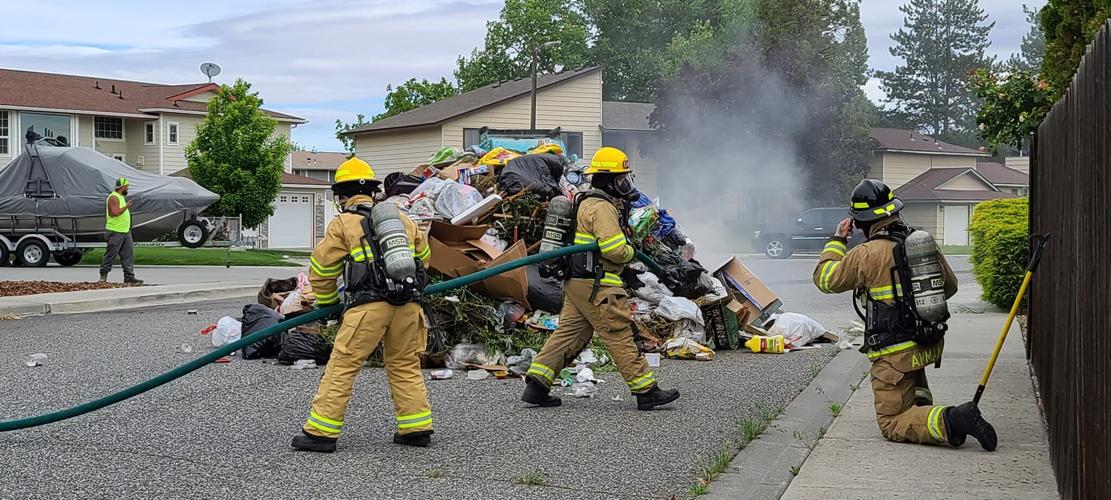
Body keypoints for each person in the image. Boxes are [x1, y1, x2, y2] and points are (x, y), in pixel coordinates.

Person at [813, 179, 997, 451]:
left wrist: (837, 241)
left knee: (891, 421)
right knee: (913, 395)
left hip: (894, 353)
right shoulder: (919, 241)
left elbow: (825, 279)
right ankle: (926, 414)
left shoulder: (866, 253)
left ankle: (954, 420)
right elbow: (950, 286)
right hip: (928, 343)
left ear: (862, 222)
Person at [291, 156, 434, 453]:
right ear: (372, 191)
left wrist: (329, 305)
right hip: (409, 306)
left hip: (367, 308)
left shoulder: (343, 223)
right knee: (405, 365)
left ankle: (320, 433)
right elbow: (425, 258)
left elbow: (322, 270)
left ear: (341, 196)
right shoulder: (403, 220)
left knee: (342, 366)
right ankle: (415, 428)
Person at [522, 147, 680, 410]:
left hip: (578, 283)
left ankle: (537, 384)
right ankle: (646, 390)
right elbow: (615, 250)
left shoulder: (587, 202)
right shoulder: (602, 208)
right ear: (607, 180)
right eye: (620, 179)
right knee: (618, 333)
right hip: (598, 283)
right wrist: (632, 251)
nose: (624, 184)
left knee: (570, 334)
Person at [100, 177, 142, 284]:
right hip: (115, 231)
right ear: (122, 187)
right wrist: (127, 207)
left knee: (128, 255)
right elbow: (115, 212)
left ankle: (129, 277)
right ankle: (103, 276)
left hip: (125, 231)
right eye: (127, 186)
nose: (128, 188)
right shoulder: (113, 197)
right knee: (111, 254)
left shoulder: (121, 196)